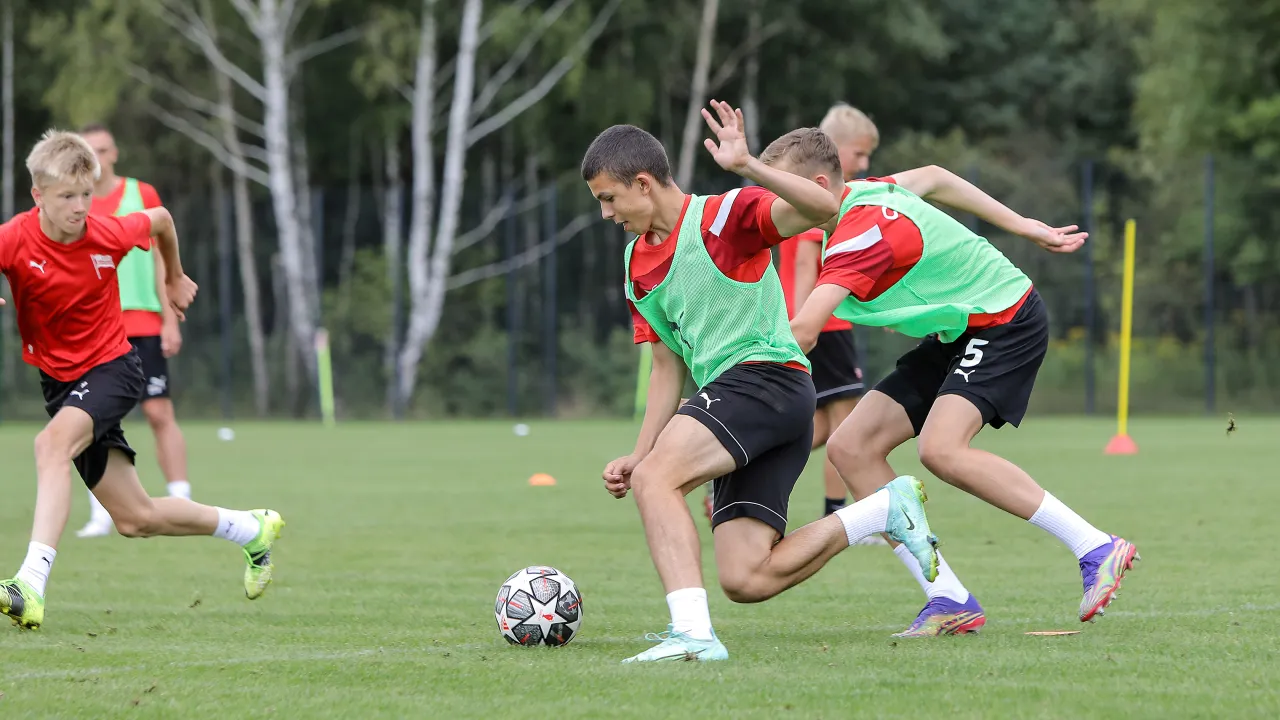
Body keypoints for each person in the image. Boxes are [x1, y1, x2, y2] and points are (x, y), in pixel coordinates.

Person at [581, 101, 942, 663]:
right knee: (746, 578)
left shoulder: (724, 217)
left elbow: (827, 205)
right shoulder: (636, 266)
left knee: (659, 481)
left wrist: (749, 164)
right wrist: (639, 451)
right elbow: (667, 371)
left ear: (644, 183)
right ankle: (880, 510)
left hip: (765, 380)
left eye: (608, 199)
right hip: (741, 404)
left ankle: (693, 637)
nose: (605, 214)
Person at [763, 128, 1138, 636]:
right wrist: (1025, 227)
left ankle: (1095, 546)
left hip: (1005, 318)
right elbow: (936, 178)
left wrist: (729, 397)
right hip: (959, 330)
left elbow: (805, 331)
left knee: (941, 449)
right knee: (850, 447)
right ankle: (947, 598)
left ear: (820, 184)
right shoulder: (867, 191)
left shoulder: (861, 234)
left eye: (782, 193)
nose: (776, 209)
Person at [0, 130, 284, 630]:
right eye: (67, 196)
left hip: (114, 369)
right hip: (61, 384)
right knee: (136, 518)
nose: (80, 206)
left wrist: (173, 276)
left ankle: (30, 583)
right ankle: (251, 529)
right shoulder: (14, 238)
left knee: (50, 447)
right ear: (37, 195)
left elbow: (161, 220)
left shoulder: (107, 233)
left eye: (87, 194)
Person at [73, 123, 193, 538]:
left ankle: (182, 497)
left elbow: (163, 257)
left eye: (103, 150)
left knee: (159, 411)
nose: (97, 158)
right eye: (89, 151)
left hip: (141, 320)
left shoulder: (142, 195)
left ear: (114, 153)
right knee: (94, 419)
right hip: (94, 327)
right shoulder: (74, 203)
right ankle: (101, 511)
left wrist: (167, 318)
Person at [777, 103, 880, 523]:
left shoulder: (796, 188)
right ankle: (838, 516)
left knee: (816, 424)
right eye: (859, 152)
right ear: (834, 148)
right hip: (824, 322)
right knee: (846, 426)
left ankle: (738, 460)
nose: (865, 163)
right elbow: (806, 257)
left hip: (810, 317)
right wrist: (806, 323)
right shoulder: (822, 194)